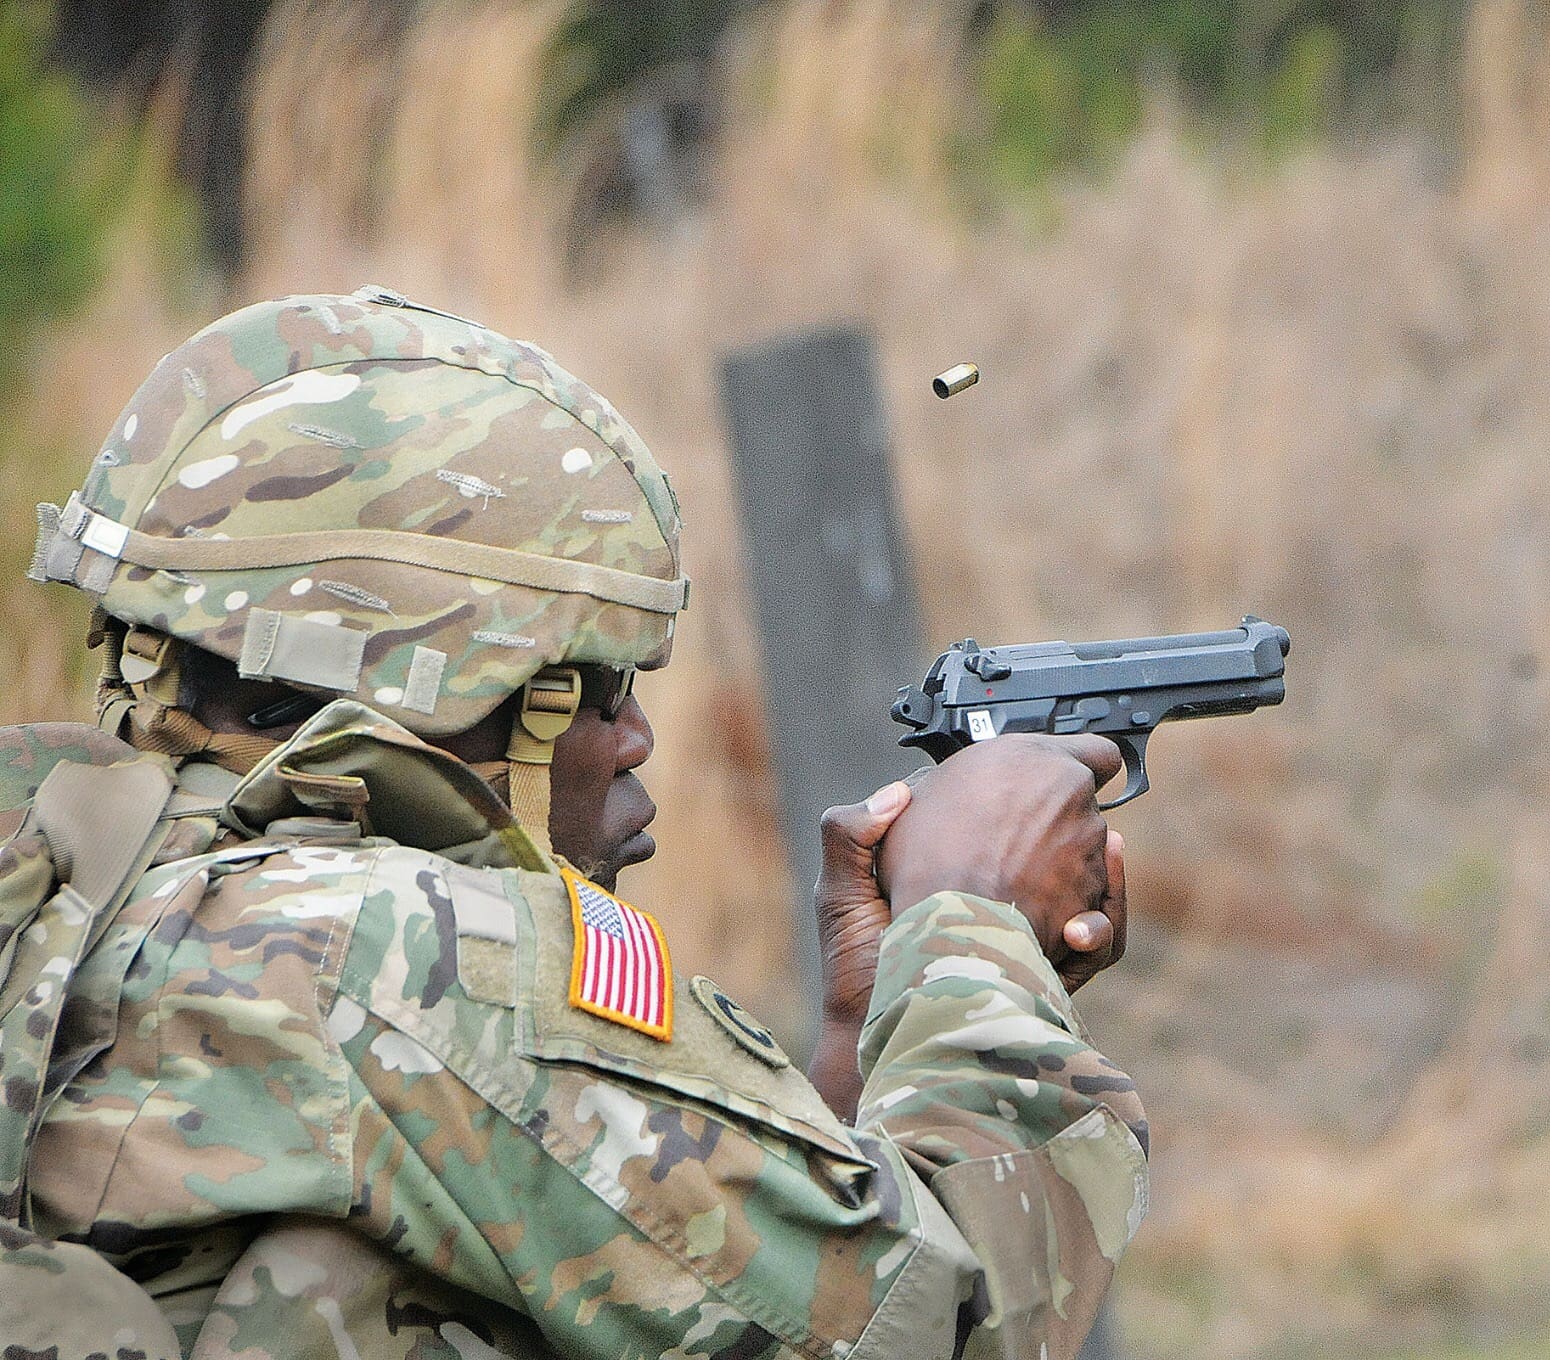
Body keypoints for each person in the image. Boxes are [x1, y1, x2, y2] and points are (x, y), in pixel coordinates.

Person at [0, 287, 1146, 1359]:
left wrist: (851, 1056)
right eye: (601, 684)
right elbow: (936, 1315)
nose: (635, 736)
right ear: (456, 680)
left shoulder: (93, 876)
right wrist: (975, 927)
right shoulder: (405, 964)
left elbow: (707, 1282)